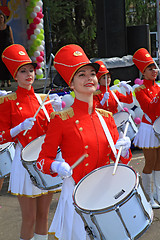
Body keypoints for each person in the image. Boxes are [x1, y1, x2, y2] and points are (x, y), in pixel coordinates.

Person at [36, 44, 132, 240]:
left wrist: (124, 151)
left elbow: (119, 162)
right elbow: (42, 161)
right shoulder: (60, 119)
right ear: (71, 84)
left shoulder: (106, 117)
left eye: (91, 74)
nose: (89, 78)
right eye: (81, 75)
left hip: (107, 192)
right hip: (77, 195)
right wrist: (56, 165)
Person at [0, 44, 63, 240]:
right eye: (23, 71)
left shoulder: (43, 99)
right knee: (29, 217)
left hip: (44, 159)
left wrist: (58, 113)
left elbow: (53, 133)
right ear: (15, 76)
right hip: (24, 161)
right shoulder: (8, 102)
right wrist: (18, 128)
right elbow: (2, 135)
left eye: (31, 70)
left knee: (44, 215)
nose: (29, 74)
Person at [132, 48, 160, 209]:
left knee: (159, 163)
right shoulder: (139, 90)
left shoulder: (158, 87)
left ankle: (158, 194)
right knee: (150, 162)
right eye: (150, 68)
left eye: (155, 67)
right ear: (143, 72)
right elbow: (149, 109)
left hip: (159, 126)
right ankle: (148, 197)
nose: (154, 71)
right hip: (149, 128)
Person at [0, 10, 14, 87]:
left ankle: (8, 80)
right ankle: (2, 81)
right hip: (0, 48)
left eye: (1, 17)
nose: (0, 19)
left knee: (7, 64)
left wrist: (13, 47)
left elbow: (11, 39)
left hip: (7, 48)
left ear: (4, 18)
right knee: (1, 65)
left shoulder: (8, 27)